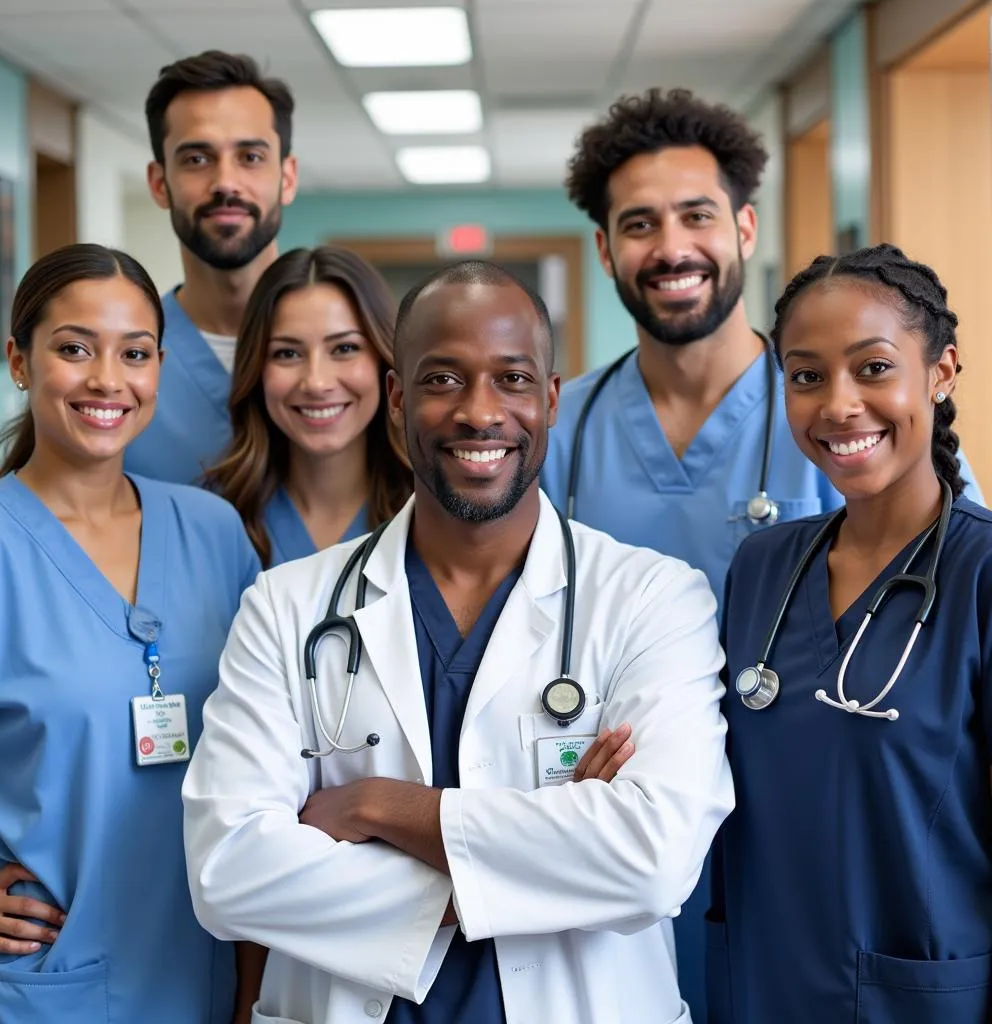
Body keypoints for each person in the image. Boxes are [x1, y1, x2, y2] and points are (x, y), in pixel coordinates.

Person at [182, 260, 734, 1024]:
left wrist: (380, 807)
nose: (481, 412)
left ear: (549, 399)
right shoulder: (288, 607)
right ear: (400, 399)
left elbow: (653, 861)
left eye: (511, 379)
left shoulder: (651, 599)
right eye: (442, 380)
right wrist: (552, 860)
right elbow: (228, 871)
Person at [539, 87, 981, 1021]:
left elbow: (947, 579)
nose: (670, 246)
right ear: (605, 249)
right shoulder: (558, 429)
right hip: (636, 873)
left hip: (853, 881)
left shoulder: (869, 440)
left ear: (743, 226)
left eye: (696, 214)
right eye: (639, 224)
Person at [0, 244, 260, 1023]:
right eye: (73, 348)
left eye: (134, 353)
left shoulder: (212, 531)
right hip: (45, 986)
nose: (107, 379)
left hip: (209, 974)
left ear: (159, 367)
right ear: (20, 362)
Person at [711, 244, 992, 1023]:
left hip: (924, 1001)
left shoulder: (981, 575)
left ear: (940, 373)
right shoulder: (763, 569)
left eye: (873, 368)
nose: (837, 404)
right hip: (763, 985)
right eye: (806, 376)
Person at [124, 50, 298, 484]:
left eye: (251, 157)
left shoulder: (357, 362)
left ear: (287, 178)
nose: (225, 182)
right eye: (196, 159)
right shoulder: (123, 366)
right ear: (159, 183)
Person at [205, 246, 413, 568]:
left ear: (383, 361)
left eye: (345, 348)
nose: (316, 382)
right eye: (287, 353)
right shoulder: (212, 519)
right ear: (257, 370)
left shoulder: (429, 513)